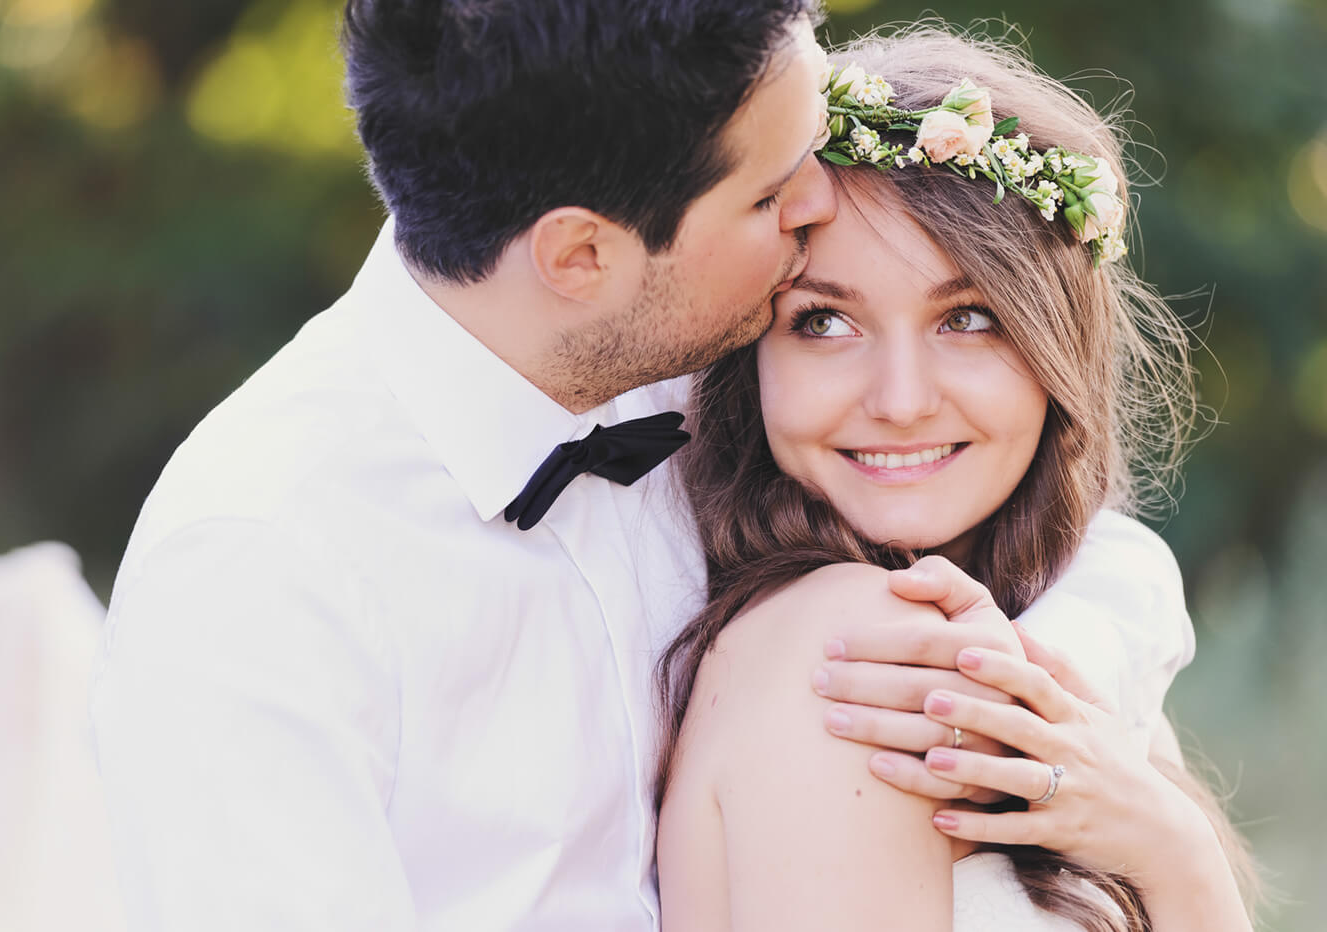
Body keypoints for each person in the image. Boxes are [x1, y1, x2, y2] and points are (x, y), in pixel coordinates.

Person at [91, 4, 1223, 930]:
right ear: (581, 253)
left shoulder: (693, 351)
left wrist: (1042, 677)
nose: (818, 201)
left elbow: (1037, 513)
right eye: (770, 190)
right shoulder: (257, 571)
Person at [655, 26, 1255, 932]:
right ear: (749, 358)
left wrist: (1176, 845)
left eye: (968, 318)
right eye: (822, 323)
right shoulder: (857, 652)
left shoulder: (1052, 643)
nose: (900, 401)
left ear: (1055, 345)